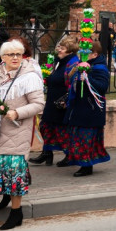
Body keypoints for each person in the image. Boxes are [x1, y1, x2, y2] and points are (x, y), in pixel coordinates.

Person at [0, 40, 45, 230]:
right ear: (3, 57)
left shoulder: (29, 76)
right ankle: (6, 198)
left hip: (16, 129)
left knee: (14, 172)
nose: (15, 58)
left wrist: (17, 112)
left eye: (19, 54)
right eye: (11, 55)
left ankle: (17, 213)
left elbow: (39, 104)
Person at [60, 44, 111, 177]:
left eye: (86, 53)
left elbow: (102, 87)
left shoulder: (100, 68)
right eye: (81, 53)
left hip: (91, 110)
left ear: (94, 55)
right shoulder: (82, 66)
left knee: (86, 138)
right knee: (77, 136)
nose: (82, 55)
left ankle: (87, 165)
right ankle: (81, 162)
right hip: (79, 108)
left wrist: (88, 78)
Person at [30, 35, 77, 167]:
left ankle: (69, 155)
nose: (59, 50)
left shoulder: (73, 64)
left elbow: (73, 84)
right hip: (52, 100)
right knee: (46, 126)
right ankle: (47, 153)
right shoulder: (59, 62)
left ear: (70, 51)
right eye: (59, 47)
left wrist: (66, 100)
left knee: (62, 130)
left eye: (62, 48)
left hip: (62, 103)